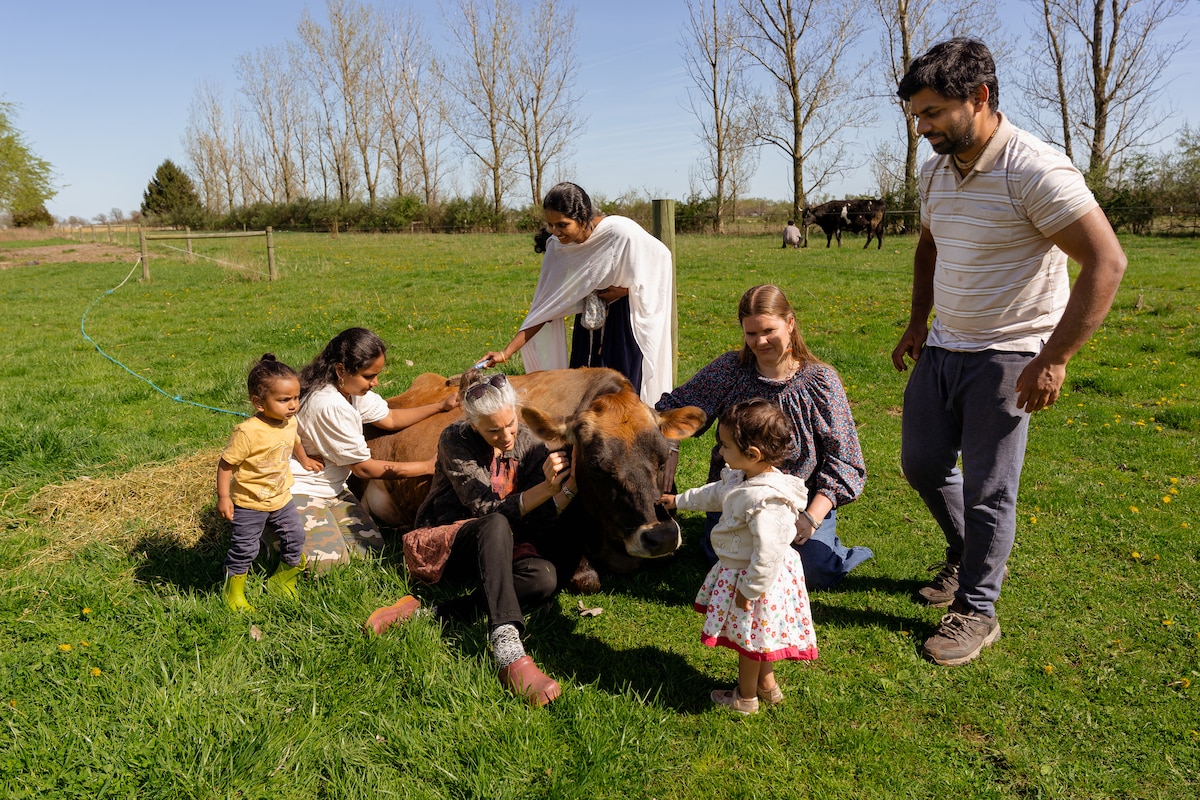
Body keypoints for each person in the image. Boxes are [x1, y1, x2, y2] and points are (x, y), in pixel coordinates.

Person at [893, 38, 1126, 666]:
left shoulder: (1035, 169)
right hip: (945, 344)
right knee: (921, 463)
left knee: (990, 488)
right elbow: (930, 247)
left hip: (1011, 352)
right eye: (917, 115)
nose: (923, 128)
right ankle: (965, 555)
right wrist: (918, 322)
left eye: (934, 113)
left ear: (981, 98)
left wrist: (1054, 358)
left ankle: (977, 608)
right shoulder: (935, 170)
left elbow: (1107, 263)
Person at [365, 369, 582, 707]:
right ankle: (508, 650)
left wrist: (566, 491)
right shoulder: (454, 440)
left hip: (499, 546)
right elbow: (484, 509)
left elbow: (534, 521)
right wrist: (545, 489)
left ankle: (430, 613)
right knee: (495, 522)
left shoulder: (528, 442)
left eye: (510, 424)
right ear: (473, 423)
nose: (506, 436)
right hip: (449, 543)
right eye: (493, 430)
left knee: (543, 578)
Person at [655, 284, 872, 590]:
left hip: (799, 504)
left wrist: (811, 518)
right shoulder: (729, 371)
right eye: (751, 334)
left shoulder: (821, 382)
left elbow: (845, 460)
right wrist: (671, 450)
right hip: (736, 497)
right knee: (724, 560)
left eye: (769, 330)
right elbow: (673, 410)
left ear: (791, 323)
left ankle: (829, 547)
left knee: (811, 571)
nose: (761, 341)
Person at [661, 399, 817, 715]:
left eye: (725, 445)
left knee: (749, 643)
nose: (719, 451)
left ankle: (746, 698)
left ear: (753, 455)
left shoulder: (767, 502)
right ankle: (768, 687)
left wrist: (750, 589)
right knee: (759, 638)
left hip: (757, 579)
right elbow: (713, 495)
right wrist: (677, 500)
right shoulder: (740, 477)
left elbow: (769, 553)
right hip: (746, 572)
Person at [479, 182, 675, 405]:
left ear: (583, 218)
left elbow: (660, 259)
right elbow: (545, 307)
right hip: (587, 327)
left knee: (620, 395)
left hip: (624, 325)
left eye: (562, 224)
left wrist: (625, 290)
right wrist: (506, 353)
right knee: (582, 394)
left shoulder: (620, 233)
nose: (555, 232)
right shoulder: (558, 247)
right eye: (551, 225)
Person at [289, 327, 457, 573]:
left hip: (332, 488)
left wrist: (439, 406)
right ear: (340, 370)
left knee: (371, 550)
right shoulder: (330, 405)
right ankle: (274, 533)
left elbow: (389, 418)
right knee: (327, 565)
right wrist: (425, 467)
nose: (376, 382)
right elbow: (363, 468)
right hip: (299, 489)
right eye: (369, 376)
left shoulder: (348, 390)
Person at [216, 354, 315, 611]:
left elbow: (294, 442)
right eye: (284, 400)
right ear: (259, 403)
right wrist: (224, 497)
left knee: (296, 535)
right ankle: (233, 591)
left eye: (296, 397)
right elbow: (226, 465)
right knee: (245, 548)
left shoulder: (289, 421)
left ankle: (283, 579)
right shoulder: (247, 433)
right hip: (250, 503)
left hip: (281, 498)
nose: (293, 405)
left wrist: (304, 460)